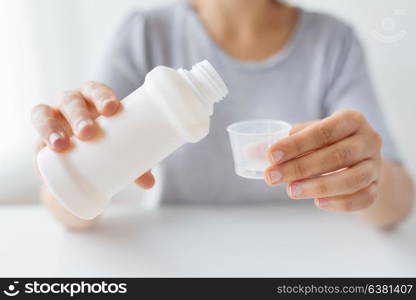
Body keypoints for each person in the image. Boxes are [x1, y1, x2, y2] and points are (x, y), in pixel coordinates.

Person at [31, 0, 413, 230]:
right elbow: (64, 207)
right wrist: (67, 150)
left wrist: (367, 171)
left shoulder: (334, 43)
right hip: (181, 254)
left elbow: (397, 206)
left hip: (304, 256)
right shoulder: (146, 33)